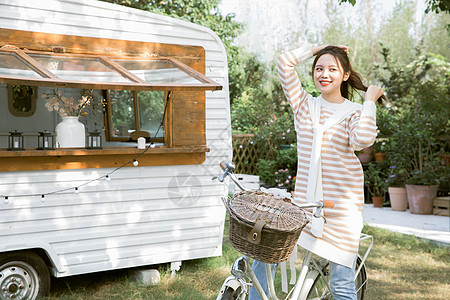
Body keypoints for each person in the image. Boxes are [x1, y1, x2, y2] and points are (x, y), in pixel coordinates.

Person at [249, 44, 384, 300]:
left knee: (341, 283)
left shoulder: (354, 112)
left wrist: (369, 103)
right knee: (265, 256)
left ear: (345, 75)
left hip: (341, 209)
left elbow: (363, 139)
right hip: (304, 205)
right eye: (319, 68)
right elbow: (284, 62)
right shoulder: (304, 105)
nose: (324, 74)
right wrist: (319, 48)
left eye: (333, 69)